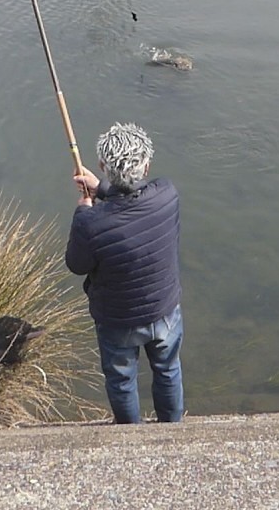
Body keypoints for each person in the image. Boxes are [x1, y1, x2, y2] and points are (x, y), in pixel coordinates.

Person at [65, 122, 184, 423]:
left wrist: (83, 210)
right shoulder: (167, 195)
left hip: (118, 320)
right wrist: (103, 191)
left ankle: (131, 436)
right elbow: (135, 202)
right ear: (146, 167)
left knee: (121, 380)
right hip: (164, 310)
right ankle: (173, 428)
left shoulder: (91, 223)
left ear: (103, 166)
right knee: (168, 370)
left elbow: (77, 265)